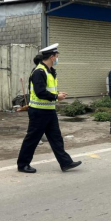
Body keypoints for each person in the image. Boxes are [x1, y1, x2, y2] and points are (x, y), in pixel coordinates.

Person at [17, 44, 82, 173]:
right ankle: (23, 164)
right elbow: (40, 92)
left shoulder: (50, 71)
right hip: (38, 111)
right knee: (32, 138)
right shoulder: (39, 72)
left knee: (56, 137)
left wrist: (57, 94)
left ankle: (65, 162)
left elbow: (48, 90)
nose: (57, 58)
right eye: (56, 56)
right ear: (52, 57)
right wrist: (56, 97)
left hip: (49, 111)